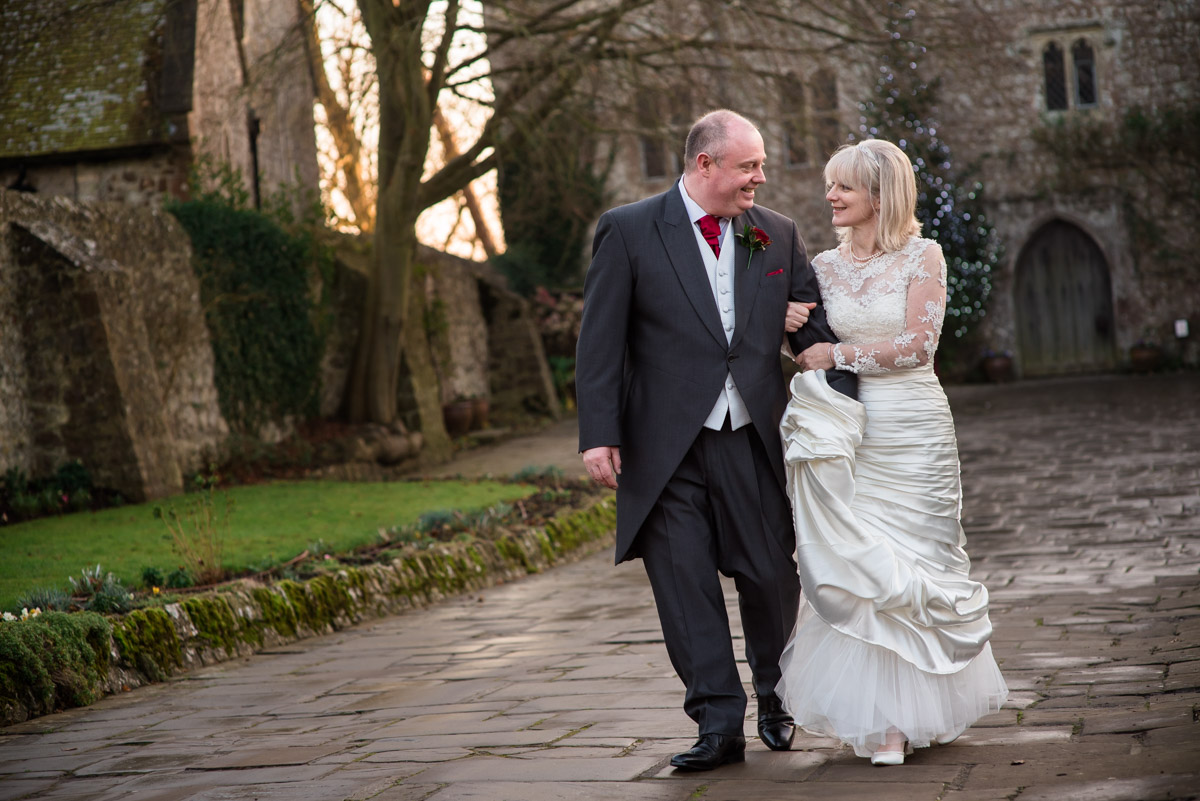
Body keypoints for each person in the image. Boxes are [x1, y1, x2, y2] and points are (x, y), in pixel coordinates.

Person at [575, 109, 855, 771]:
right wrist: (599, 435)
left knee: (768, 574)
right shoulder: (629, 229)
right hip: (662, 448)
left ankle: (773, 690)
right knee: (684, 586)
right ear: (705, 165)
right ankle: (718, 723)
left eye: (759, 165)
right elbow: (600, 343)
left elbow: (810, 330)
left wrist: (850, 401)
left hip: (751, 438)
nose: (760, 177)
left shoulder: (774, 235)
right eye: (748, 166)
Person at [777, 138, 1008, 766]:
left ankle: (918, 709)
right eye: (830, 185)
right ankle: (883, 724)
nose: (830, 196)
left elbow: (918, 346)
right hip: (848, 431)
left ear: (879, 196)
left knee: (918, 560)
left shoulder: (923, 255)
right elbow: (807, 347)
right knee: (861, 562)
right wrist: (790, 325)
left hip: (913, 427)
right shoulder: (822, 266)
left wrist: (838, 354)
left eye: (843, 187)